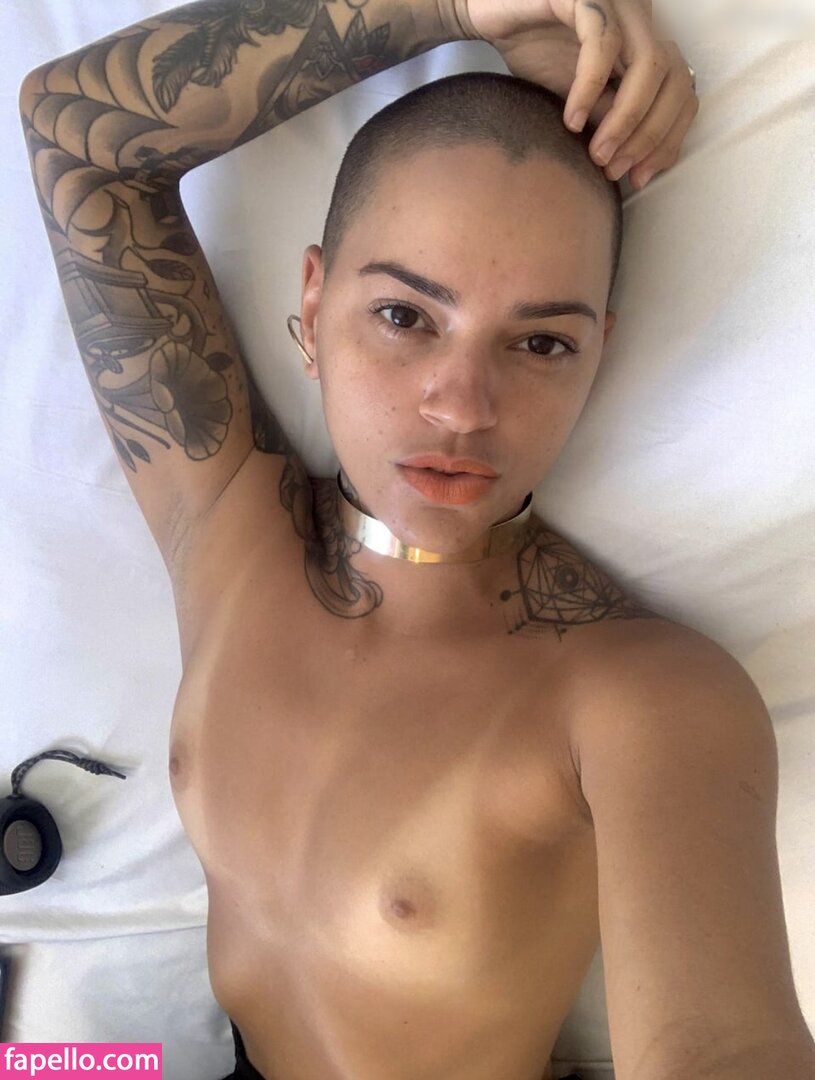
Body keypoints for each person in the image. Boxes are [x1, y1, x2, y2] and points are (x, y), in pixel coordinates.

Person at [19, 2, 815, 1079]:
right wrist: (453, 7)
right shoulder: (230, 528)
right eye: (404, 316)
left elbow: (722, 1048)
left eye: (540, 343)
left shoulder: (640, 697)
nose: (460, 405)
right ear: (313, 303)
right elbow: (77, 132)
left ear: (597, 355)